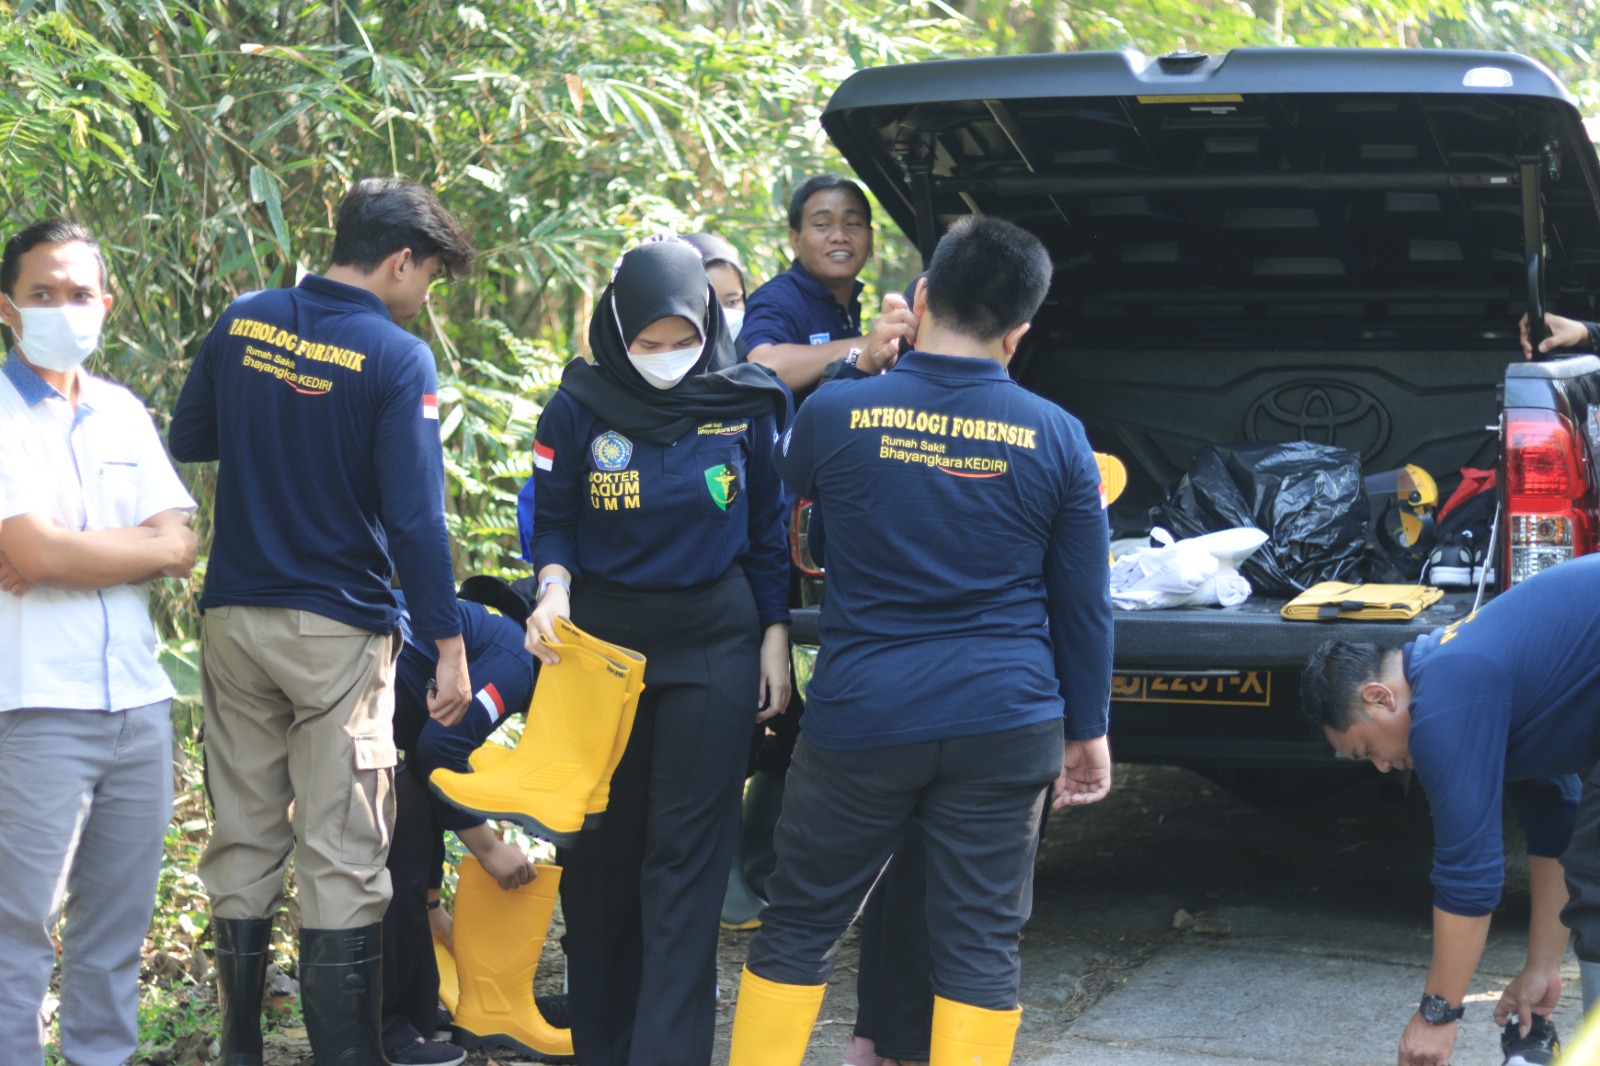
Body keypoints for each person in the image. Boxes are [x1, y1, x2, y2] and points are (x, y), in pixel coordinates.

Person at [729, 215, 1115, 1066]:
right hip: (1006, 717)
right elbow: (1085, 606)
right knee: (981, 945)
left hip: (866, 714)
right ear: (1019, 334)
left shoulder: (837, 412)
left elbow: (782, 495)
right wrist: (1087, 730)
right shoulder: (1059, 438)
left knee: (799, 927)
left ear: (925, 297)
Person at [169, 177, 476, 1065]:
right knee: (342, 851)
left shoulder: (246, 318)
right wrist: (447, 643)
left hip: (233, 621)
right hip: (336, 632)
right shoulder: (395, 356)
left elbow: (192, 437)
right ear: (400, 261)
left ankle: (240, 1051)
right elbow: (416, 521)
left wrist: (282, 420)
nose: (423, 298)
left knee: (246, 834)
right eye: (427, 280)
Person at [522, 235, 793, 1066]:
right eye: (650, 343)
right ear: (617, 328)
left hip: (714, 640)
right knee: (603, 853)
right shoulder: (578, 407)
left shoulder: (742, 404)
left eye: (683, 341)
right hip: (601, 649)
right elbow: (555, 516)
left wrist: (775, 639)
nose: (669, 359)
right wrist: (553, 587)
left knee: (687, 863)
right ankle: (604, 1044)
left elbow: (766, 536)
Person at [0, 219, 199, 1066]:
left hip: (138, 706)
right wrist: (119, 552)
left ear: (106, 305)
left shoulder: (120, 410)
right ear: (7, 308)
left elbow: (182, 540)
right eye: (41, 293)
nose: (61, 308)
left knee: (113, 940)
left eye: (78, 294)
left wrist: (66, 557)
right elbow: (32, 551)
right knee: (16, 938)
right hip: (35, 705)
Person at [1298, 557, 1600, 1066]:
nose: (1380, 766)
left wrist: (1437, 1017)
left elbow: (1470, 876)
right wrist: (1542, 968)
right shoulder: (1467, 677)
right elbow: (1555, 819)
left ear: (1379, 697)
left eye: (1365, 748)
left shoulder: (1443, 700)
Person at [380, 583, 542, 1066]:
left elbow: (427, 772)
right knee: (392, 856)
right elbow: (439, 753)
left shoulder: (478, 627)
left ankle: (414, 1021)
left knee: (406, 833)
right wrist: (489, 849)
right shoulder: (516, 659)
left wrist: (433, 903)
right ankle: (386, 1029)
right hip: (342, 693)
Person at [742, 174, 915, 402]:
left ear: (871, 240)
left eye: (852, 224)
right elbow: (761, 368)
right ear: (795, 241)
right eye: (822, 225)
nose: (839, 236)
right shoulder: (778, 298)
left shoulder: (846, 301)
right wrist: (864, 343)